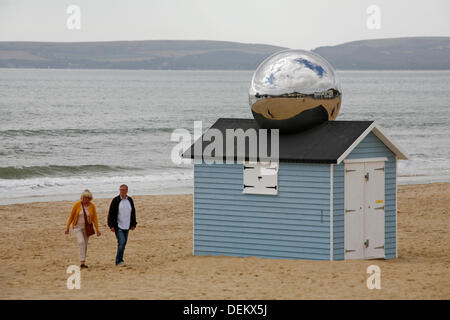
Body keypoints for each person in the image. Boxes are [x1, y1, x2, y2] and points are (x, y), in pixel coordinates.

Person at [65, 189, 101, 268]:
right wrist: (67, 227)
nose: (86, 199)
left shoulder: (92, 206)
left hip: (87, 228)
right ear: (82, 197)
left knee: (85, 245)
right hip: (77, 227)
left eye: (88, 198)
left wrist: (97, 229)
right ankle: (82, 261)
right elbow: (71, 216)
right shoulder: (77, 204)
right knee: (81, 242)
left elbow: (95, 218)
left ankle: (82, 263)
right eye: (85, 198)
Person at [107, 184, 137, 266]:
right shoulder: (115, 200)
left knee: (123, 243)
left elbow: (133, 212)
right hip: (118, 225)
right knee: (122, 242)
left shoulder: (130, 200)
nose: (122, 191)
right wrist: (111, 225)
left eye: (124, 190)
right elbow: (111, 213)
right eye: (121, 190)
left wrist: (133, 224)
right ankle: (118, 261)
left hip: (127, 225)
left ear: (127, 190)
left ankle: (121, 259)